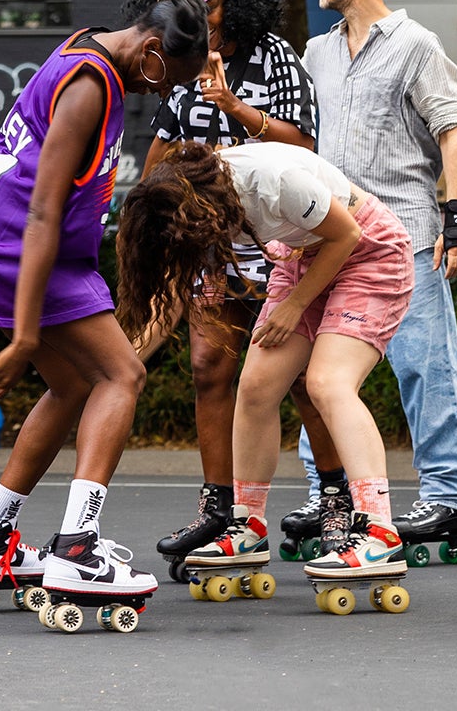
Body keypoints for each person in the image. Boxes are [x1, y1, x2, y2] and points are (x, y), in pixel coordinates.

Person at [0, 0, 212, 613]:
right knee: (123, 373)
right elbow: (39, 215)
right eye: (169, 80)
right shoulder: (92, 86)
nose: (164, 95)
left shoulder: (88, 44)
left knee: (69, 386)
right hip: (12, 237)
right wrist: (25, 336)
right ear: (151, 53)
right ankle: (76, 551)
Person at [116, 141, 417, 595]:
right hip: (303, 259)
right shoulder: (193, 202)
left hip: (368, 254)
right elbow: (171, 299)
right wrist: (116, 367)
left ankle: (379, 531)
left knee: (327, 383)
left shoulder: (273, 181)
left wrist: (296, 305)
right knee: (256, 388)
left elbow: (348, 235)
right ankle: (248, 525)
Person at [127, 0, 329, 571]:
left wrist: (236, 107)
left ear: (232, 2)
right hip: (210, 247)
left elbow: (306, 149)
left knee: (294, 380)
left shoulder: (278, 59)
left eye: (208, 9)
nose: (199, 22)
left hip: (277, 241)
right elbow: (156, 159)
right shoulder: (180, 67)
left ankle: (341, 506)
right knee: (209, 368)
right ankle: (220, 511)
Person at [298, 0, 457, 561]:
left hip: (404, 232)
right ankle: (332, 495)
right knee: (320, 372)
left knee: (425, 366)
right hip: (331, 234)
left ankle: (449, 497)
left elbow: (453, 132)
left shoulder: (415, 46)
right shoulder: (314, 54)